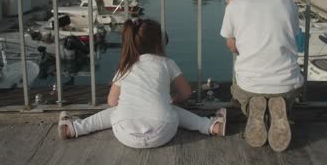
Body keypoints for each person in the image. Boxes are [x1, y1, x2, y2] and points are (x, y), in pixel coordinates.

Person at [58, 19, 227, 148]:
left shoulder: (125, 68)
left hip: (125, 135)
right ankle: (212, 126)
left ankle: (75, 129)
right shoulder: (167, 63)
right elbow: (186, 92)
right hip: (163, 132)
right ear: (158, 43)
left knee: (115, 112)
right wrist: (173, 100)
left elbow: (111, 102)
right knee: (171, 110)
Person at [220, 0, 303, 152]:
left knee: (237, 88)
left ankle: (250, 107)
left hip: (250, 84)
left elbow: (232, 46)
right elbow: (294, 39)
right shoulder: (288, 5)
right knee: (291, 89)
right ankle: (282, 107)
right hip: (286, 84)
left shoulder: (235, 7)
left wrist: (231, 4)